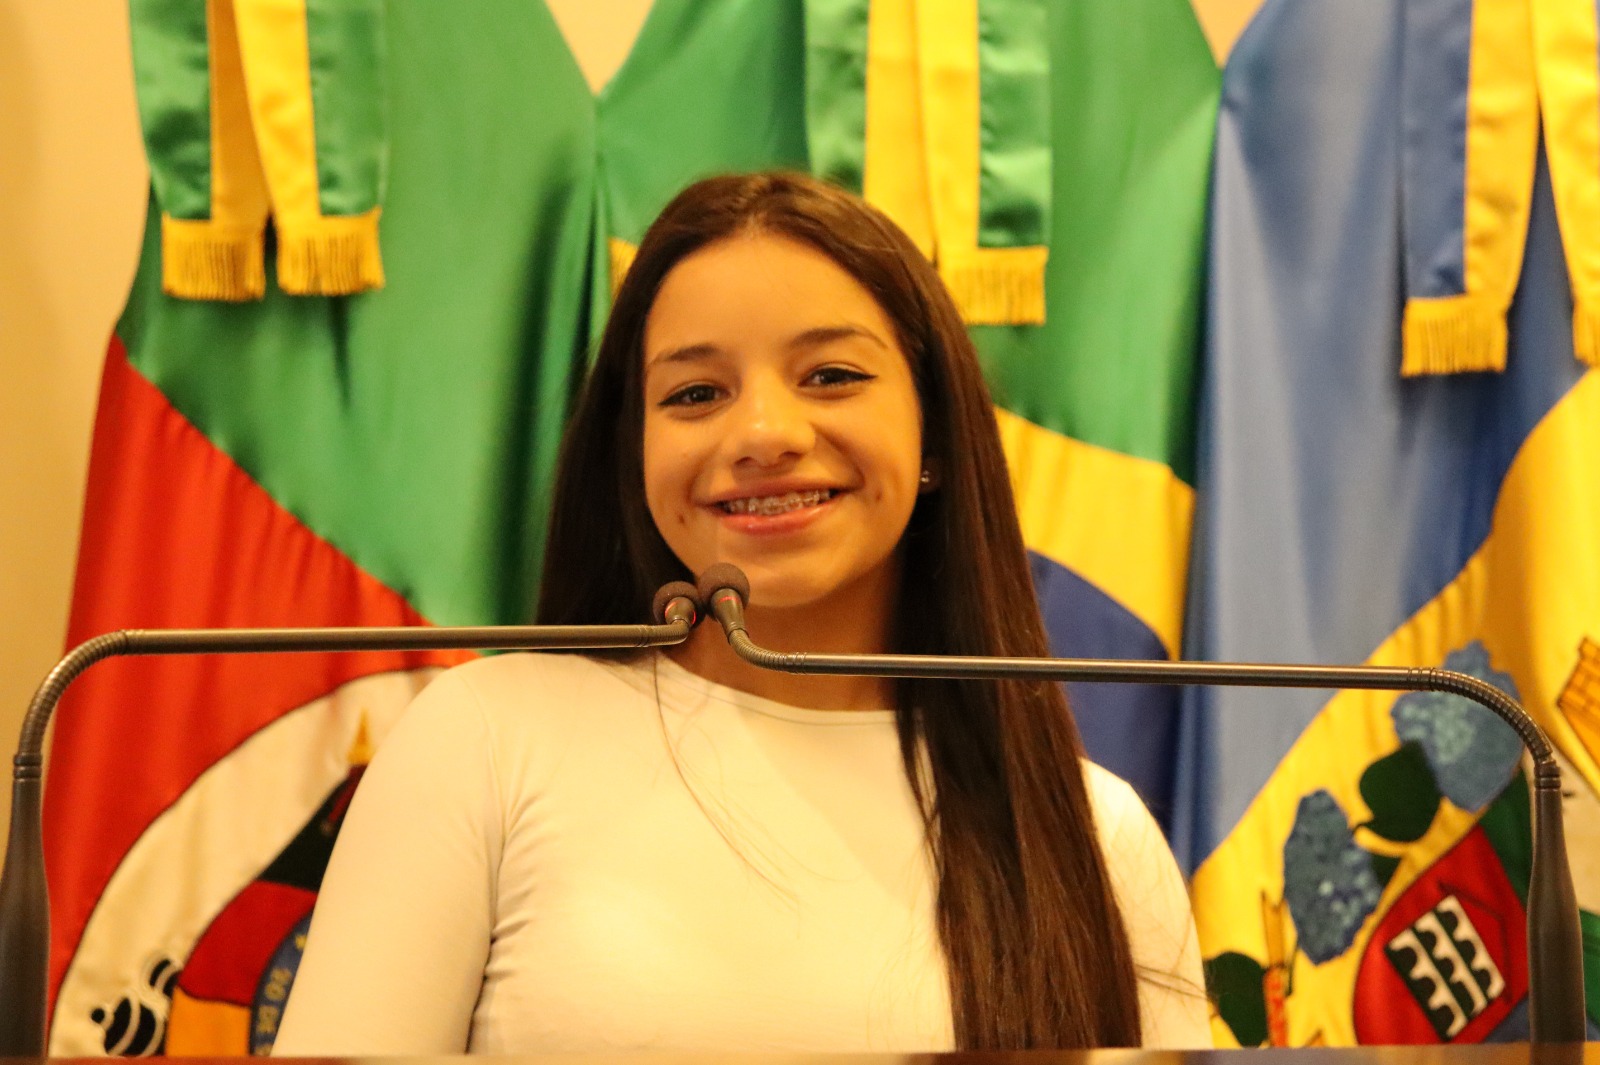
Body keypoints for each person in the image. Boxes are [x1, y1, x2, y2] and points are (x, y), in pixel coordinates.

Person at [272, 172, 1210, 1054]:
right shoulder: (484, 736)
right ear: (635, 455)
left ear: (934, 432)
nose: (763, 433)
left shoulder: (1100, 835)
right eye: (695, 393)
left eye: (831, 375)